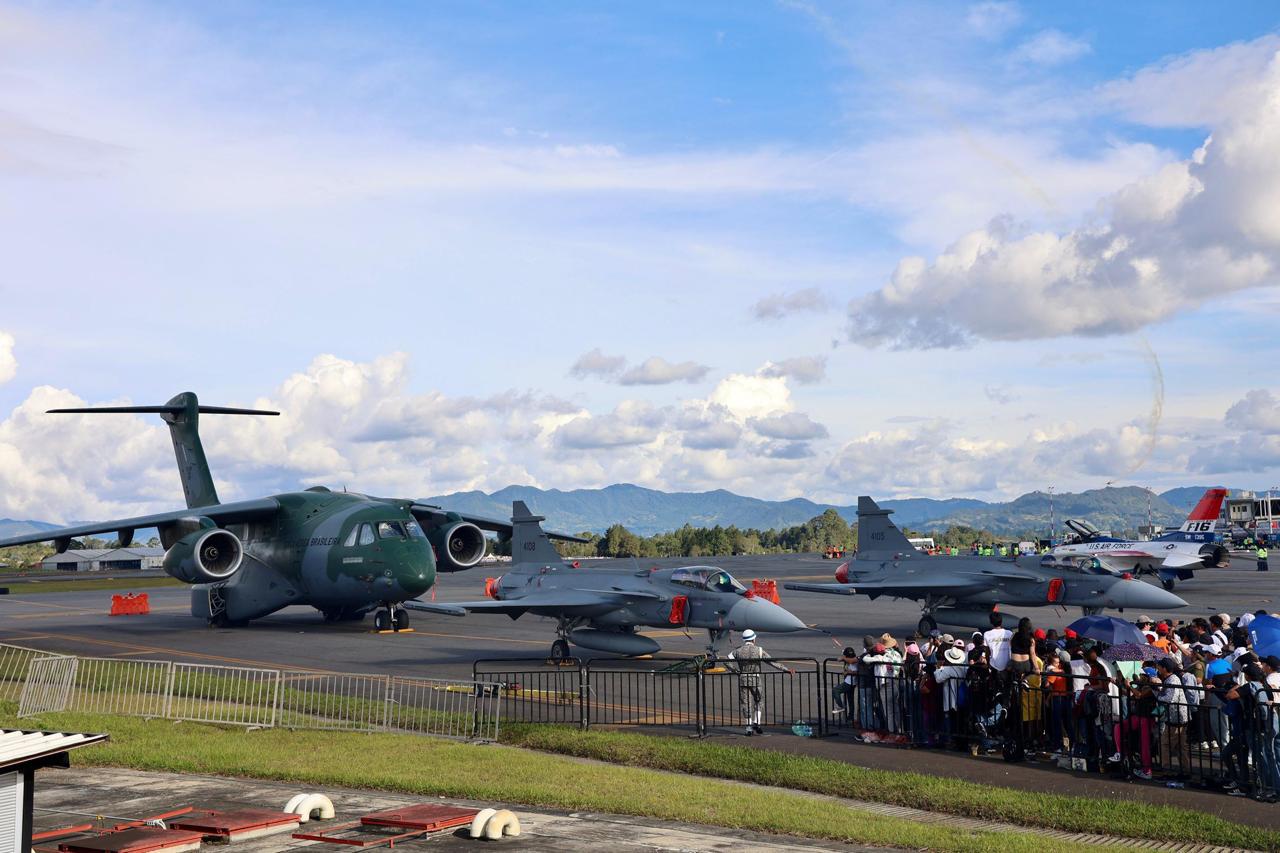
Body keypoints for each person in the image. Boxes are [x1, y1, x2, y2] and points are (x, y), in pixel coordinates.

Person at [727, 629, 792, 736]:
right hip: (755, 679)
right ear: (753, 639)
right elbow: (772, 662)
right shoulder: (759, 650)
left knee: (746, 703)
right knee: (759, 700)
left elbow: (727, 660)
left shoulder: (737, 651)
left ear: (744, 639)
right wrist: (785, 669)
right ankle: (757, 722)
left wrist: (736, 671)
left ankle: (748, 728)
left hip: (743, 679)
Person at [1156, 658, 1191, 780]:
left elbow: (1169, 699)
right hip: (1179, 717)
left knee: (1165, 744)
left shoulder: (1173, 680)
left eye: (1159, 667)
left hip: (1176, 718)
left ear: (1165, 668)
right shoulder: (1170, 679)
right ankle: (1185, 771)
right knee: (1181, 746)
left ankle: (1167, 771)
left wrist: (1157, 692)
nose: (1158, 669)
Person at [933, 645, 969, 750]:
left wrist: (938, 668)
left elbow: (938, 679)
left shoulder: (948, 670)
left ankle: (951, 741)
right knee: (960, 722)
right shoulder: (963, 668)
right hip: (961, 698)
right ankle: (961, 743)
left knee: (950, 721)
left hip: (951, 699)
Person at [832, 646, 857, 721]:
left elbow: (855, 670)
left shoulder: (853, 661)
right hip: (852, 683)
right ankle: (851, 716)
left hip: (849, 683)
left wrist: (848, 672)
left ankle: (841, 706)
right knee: (850, 699)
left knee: (835, 690)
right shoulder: (852, 659)